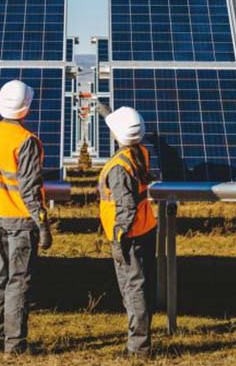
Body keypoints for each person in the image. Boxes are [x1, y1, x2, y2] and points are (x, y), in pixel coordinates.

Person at [0, 79, 53, 355]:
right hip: (20, 222)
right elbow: (30, 190)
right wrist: (43, 225)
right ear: (26, 108)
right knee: (18, 283)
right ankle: (15, 345)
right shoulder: (26, 141)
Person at [98, 106, 158, 356]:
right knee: (140, 286)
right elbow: (126, 131)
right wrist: (107, 113)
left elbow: (126, 206)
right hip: (145, 228)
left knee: (133, 289)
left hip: (128, 236)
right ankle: (139, 341)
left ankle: (138, 348)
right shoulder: (139, 152)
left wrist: (120, 236)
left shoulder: (119, 167)